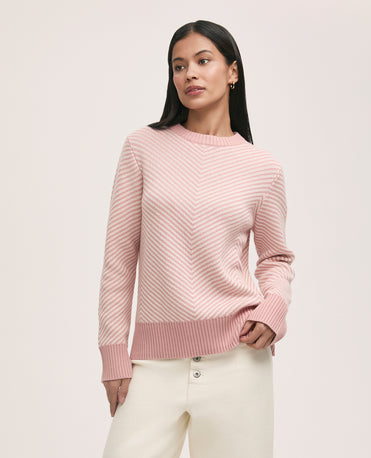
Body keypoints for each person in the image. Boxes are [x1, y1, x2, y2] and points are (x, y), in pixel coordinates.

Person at [98, 19, 296, 458]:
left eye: (203, 61)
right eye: (179, 65)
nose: (189, 73)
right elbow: (119, 258)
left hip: (238, 359)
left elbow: (276, 259)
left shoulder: (262, 168)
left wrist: (274, 308)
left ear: (232, 71)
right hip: (152, 365)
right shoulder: (142, 148)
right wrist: (112, 352)